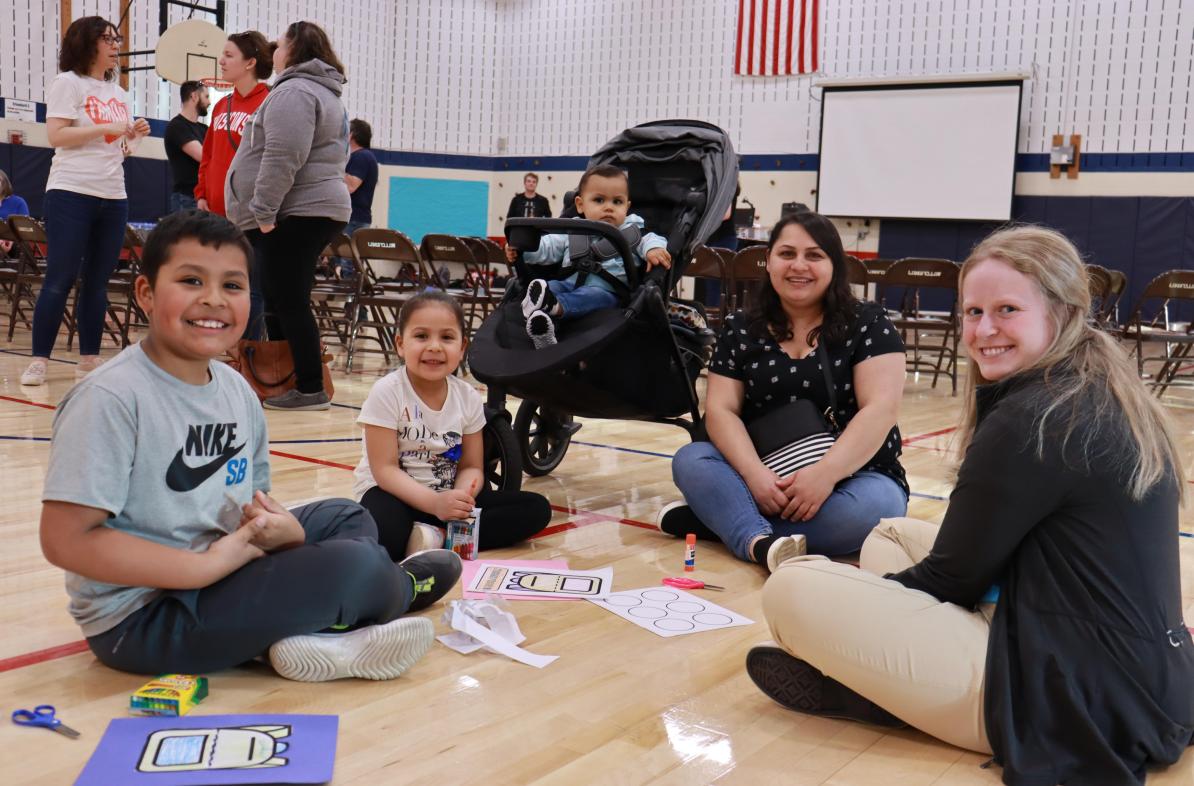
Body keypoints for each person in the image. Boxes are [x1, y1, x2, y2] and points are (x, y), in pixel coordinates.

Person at [753, 225, 1194, 784]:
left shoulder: (1034, 417)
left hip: (1077, 702)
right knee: (889, 535)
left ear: (1060, 311)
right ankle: (893, 682)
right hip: (1150, 678)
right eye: (972, 312)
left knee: (793, 586)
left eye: (1007, 309)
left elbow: (952, 579)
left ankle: (885, 691)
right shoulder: (1091, 384)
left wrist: (864, 610)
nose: (983, 330)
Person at [38, 211, 463, 680]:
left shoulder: (236, 389)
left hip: (228, 565)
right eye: (191, 280)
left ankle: (311, 624)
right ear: (145, 294)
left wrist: (284, 533)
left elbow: (249, 502)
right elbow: (65, 541)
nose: (214, 300)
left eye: (233, 286)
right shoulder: (110, 398)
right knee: (355, 562)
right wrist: (204, 567)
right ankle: (396, 588)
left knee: (347, 516)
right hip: (145, 618)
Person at [660, 211, 908, 571]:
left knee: (873, 511)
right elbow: (721, 410)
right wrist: (755, 477)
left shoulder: (868, 324)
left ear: (834, 266)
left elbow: (880, 409)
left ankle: (726, 523)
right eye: (787, 254)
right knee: (691, 459)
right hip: (764, 474)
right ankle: (754, 533)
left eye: (814, 255)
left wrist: (825, 474)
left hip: (857, 475)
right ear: (769, 260)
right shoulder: (742, 327)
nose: (799, 266)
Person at [355, 291, 552, 558]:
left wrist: (460, 497)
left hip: (447, 495)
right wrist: (435, 503)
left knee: (536, 509)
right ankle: (433, 534)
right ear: (400, 344)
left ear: (462, 348)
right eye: (421, 336)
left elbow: (471, 465)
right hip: (393, 493)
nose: (435, 346)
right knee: (386, 535)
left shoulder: (468, 396)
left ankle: (436, 537)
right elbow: (385, 470)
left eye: (446, 337)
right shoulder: (387, 391)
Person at [225, 20, 350, 410]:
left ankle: (310, 387)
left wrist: (263, 211)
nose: (273, 51)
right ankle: (288, 379)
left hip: (297, 210)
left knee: (288, 297)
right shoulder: (318, 91)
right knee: (279, 296)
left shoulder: (295, 91)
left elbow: (282, 156)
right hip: (306, 209)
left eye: (279, 45)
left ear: (294, 49)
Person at [20, 16, 151, 387]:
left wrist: (133, 138)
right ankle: (39, 360)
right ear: (86, 43)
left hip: (113, 195)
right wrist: (105, 128)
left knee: (97, 281)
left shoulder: (120, 94)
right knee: (59, 278)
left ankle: (89, 357)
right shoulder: (68, 83)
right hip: (70, 191)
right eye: (107, 39)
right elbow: (56, 135)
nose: (115, 45)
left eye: (117, 38)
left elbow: (120, 149)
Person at [504, 164, 671, 348]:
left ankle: (552, 307)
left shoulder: (632, 229)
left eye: (617, 202)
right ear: (580, 205)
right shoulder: (573, 229)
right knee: (550, 286)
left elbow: (651, 239)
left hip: (607, 292)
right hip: (568, 283)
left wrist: (653, 249)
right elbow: (548, 247)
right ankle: (542, 327)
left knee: (590, 296)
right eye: (599, 200)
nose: (609, 207)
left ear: (627, 206)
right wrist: (523, 251)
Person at [194, 30, 272, 335]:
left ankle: (248, 356)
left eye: (229, 55)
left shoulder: (269, 102)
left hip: (250, 215)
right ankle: (220, 350)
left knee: (250, 290)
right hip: (215, 212)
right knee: (216, 286)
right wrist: (201, 192)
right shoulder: (220, 105)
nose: (221, 61)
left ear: (250, 62)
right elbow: (209, 154)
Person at [336, 117, 379, 276]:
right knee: (346, 263)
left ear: (351, 134)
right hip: (352, 218)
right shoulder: (362, 156)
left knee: (349, 265)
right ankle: (352, 299)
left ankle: (353, 300)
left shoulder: (362, 156)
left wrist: (335, 163)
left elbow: (351, 186)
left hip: (354, 218)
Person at [163, 81, 209, 214]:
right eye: (206, 97)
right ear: (194, 96)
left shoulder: (204, 129)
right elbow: (204, 157)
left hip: (203, 197)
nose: (209, 102)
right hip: (186, 198)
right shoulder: (177, 126)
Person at [0, 169, 29, 256]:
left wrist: (9, 240)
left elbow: (25, 229)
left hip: (12, 243)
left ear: (5, 183)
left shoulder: (18, 202)